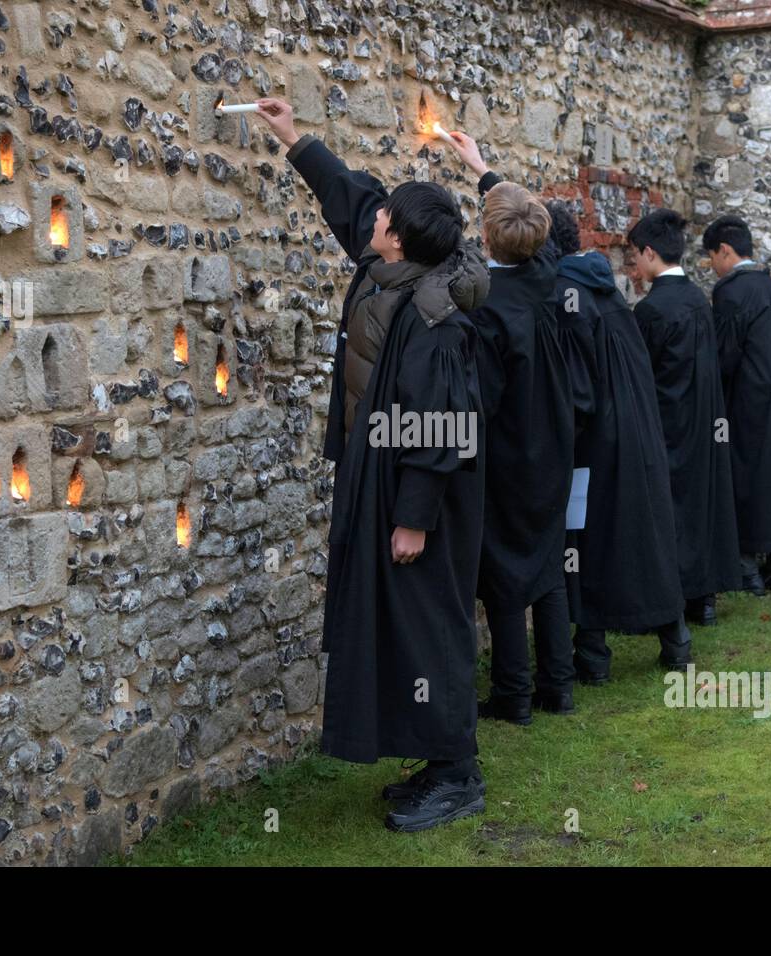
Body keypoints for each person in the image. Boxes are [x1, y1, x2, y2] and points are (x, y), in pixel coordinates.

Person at [255, 98, 490, 832]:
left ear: (402, 237)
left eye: (387, 213)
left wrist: (413, 519)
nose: (376, 214)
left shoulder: (434, 316)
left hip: (424, 495)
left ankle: (459, 773)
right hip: (381, 478)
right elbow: (349, 195)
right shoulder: (389, 264)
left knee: (428, 624)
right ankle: (433, 755)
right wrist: (293, 137)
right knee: (397, 623)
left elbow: (446, 426)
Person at [444, 131, 577, 722]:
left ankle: (513, 695)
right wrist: (483, 169)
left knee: (502, 566)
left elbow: (484, 397)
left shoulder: (486, 305)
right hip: (555, 437)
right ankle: (559, 684)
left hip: (508, 448)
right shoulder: (547, 277)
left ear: (487, 236)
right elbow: (520, 219)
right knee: (546, 560)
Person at [546, 202, 690, 677]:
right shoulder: (602, 287)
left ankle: (592, 656)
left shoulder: (567, 296)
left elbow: (578, 388)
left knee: (587, 543)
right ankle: (674, 641)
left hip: (599, 440)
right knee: (642, 536)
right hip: (638, 429)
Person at [629, 209, 741, 625]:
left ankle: (671, 599)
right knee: (701, 506)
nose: (634, 267)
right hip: (705, 421)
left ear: (650, 252)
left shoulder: (652, 310)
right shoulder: (697, 298)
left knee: (670, 511)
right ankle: (703, 599)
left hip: (668, 422)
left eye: (635, 257)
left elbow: (643, 375)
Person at [702, 215, 771, 592]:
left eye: (711, 257)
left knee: (746, 473)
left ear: (726, 251)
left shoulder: (732, 292)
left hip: (754, 395)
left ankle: (747, 566)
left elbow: (725, 355)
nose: (711, 266)